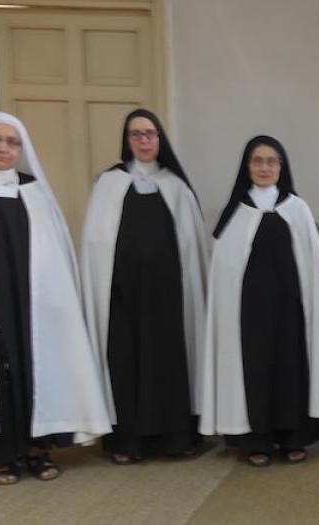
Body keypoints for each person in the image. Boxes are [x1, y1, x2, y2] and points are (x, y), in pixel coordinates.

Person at [0, 112, 111, 484]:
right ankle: (5, 456)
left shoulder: (36, 193)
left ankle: (38, 449)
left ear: (21, 148)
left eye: (12, 142)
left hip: (35, 306)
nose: (2, 148)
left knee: (38, 369)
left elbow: (56, 256)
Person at [200, 136, 319, 467]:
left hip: (291, 314)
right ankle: (257, 440)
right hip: (248, 316)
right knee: (254, 373)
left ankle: (294, 438)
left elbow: (311, 268)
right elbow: (224, 271)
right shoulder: (235, 213)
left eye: (272, 161)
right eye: (258, 160)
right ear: (247, 166)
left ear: (282, 167)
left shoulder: (297, 209)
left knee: (291, 372)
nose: (265, 167)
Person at [80, 109, 210, 465]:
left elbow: (193, 246)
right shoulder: (109, 184)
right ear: (127, 140)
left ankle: (177, 437)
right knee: (125, 364)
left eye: (150, 134)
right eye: (136, 134)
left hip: (171, 299)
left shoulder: (177, 186)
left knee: (171, 364)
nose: (144, 140)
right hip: (122, 299)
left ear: (159, 138)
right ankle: (126, 441)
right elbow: (95, 245)